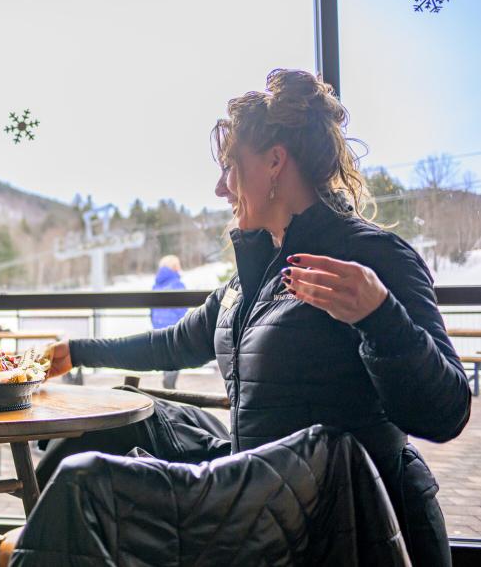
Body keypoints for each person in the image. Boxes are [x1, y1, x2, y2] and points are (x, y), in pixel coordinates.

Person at [41, 69, 470, 566]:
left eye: (229, 167)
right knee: (94, 433)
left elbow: (447, 413)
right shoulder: (251, 279)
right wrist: (78, 351)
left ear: (273, 162)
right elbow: (173, 345)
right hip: (260, 500)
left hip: (336, 517)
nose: (221, 188)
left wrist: (381, 316)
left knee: (84, 482)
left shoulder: (373, 257)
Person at [150, 255, 188, 389]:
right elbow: (182, 308)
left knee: (165, 356)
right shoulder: (177, 284)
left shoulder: (157, 284)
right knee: (176, 357)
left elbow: (152, 307)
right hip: (174, 325)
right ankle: (169, 385)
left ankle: (168, 382)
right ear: (175, 267)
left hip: (158, 325)